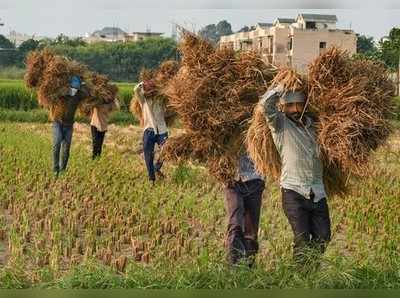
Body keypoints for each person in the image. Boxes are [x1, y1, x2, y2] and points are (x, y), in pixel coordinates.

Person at [259, 86, 331, 263]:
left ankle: (310, 271)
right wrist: (280, 87)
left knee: (323, 237)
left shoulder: (315, 127)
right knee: (302, 240)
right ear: (283, 107)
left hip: (317, 192)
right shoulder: (280, 125)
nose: (295, 109)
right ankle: (299, 278)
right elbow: (264, 106)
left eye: (299, 104)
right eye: (290, 105)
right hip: (293, 192)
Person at [224, 154, 265, 267]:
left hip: (254, 177)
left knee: (251, 231)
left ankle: (248, 268)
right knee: (235, 225)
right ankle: (234, 267)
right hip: (232, 179)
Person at [50, 75, 87, 177]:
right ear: (70, 86)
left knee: (66, 149)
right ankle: (55, 169)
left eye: (76, 88)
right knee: (56, 144)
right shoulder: (63, 94)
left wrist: (83, 85)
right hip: (58, 122)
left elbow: (87, 93)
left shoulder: (78, 95)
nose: (74, 90)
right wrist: (66, 91)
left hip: (69, 125)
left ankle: (63, 170)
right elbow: (53, 95)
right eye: (73, 88)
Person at [134, 80, 168, 184]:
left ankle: (156, 167)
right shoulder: (143, 100)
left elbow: (167, 92)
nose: (150, 93)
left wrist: (158, 87)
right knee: (148, 155)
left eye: (152, 91)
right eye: (149, 91)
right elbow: (136, 90)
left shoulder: (160, 99)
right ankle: (151, 178)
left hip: (162, 130)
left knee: (166, 151)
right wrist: (142, 84)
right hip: (148, 131)